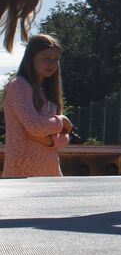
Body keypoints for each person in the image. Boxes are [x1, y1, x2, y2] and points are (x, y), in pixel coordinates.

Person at [1, 34, 72, 178]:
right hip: (22, 175)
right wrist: (62, 120)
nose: (52, 64)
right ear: (31, 58)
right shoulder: (19, 85)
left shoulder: (48, 91)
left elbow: (62, 137)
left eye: (55, 59)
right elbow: (35, 127)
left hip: (50, 173)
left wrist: (50, 140)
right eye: (46, 58)